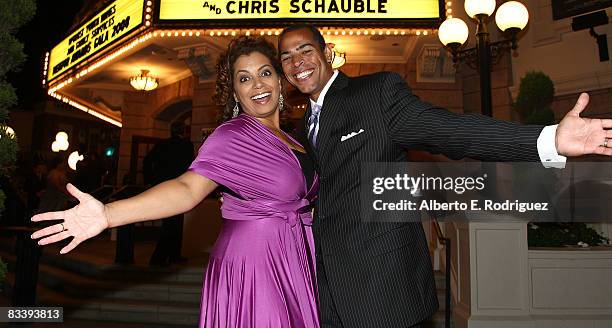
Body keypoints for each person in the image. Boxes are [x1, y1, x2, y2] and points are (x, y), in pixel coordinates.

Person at [277, 24, 612, 328]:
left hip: (384, 286)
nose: (297, 62)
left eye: (306, 50)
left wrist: (548, 139)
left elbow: (450, 130)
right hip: (329, 290)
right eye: (287, 56)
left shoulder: (376, 93)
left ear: (328, 53)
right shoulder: (303, 126)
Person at [31, 36, 320, 328]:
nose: (257, 84)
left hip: (296, 254)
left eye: (265, 73)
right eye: (244, 78)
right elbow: (187, 188)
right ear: (234, 92)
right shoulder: (233, 136)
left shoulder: (296, 139)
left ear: (280, 81)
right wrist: (108, 214)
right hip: (257, 263)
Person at [143, 121, 194, 266]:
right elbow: (191, 167)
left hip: (163, 187)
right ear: (183, 132)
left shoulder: (161, 145)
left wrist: (151, 181)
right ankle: (160, 258)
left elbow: (147, 161)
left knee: (170, 222)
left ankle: (171, 255)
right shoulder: (186, 146)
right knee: (174, 223)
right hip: (179, 188)